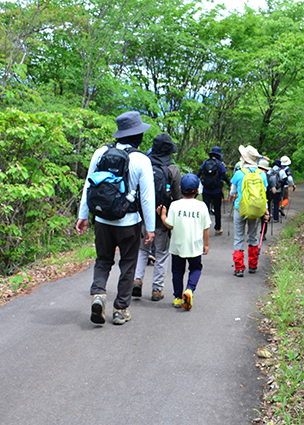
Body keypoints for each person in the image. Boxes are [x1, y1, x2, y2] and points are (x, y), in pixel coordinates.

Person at [76, 111, 155, 325]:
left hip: (102, 220)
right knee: (128, 264)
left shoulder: (100, 152)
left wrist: (83, 215)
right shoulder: (141, 160)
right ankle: (120, 309)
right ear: (138, 136)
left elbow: (88, 186)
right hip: (129, 223)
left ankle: (99, 294)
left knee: (103, 260)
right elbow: (147, 198)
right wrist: (151, 227)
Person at [132, 133, 182, 301]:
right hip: (162, 216)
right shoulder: (172, 169)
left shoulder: (143, 163)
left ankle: (137, 280)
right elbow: (178, 197)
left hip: (142, 215)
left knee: (142, 250)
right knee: (161, 252)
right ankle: (157, 289)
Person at [159, 173, 211, 310]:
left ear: (180, 188)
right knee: (195, 268)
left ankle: (177, 298)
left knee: (177, 271)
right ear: (197, 190)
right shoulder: (202, 206)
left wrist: (163, 215)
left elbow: (170, 225)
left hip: (177, 246)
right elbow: (206, 228)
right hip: (195, 246)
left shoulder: (175, 205)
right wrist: (206, 244)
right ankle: (189, 290)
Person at [228, 145, 269, 277]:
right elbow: (264, 194)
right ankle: (253, 265)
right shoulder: (262, 174)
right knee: (253, 236)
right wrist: (266, 211)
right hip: (255, 209)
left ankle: (239, 268)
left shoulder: (239, 173)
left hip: (240, 209)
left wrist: (233, 196)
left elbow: (232, 192)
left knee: (239, 238)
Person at [198, 146, 231, 236]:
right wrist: (229, 183)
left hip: (206, 190)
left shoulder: (205, 162)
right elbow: (224, 176)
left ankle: (203, 228)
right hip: (217, 190)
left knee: (205, 209)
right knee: (217, 209)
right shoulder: (220, 164)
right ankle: (218, 228)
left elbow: (199, 173)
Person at [268, 159, 287, 223]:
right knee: (276, 203)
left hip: (270, 190)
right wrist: (279, 186)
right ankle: (276, 218)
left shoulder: (270, 170)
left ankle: (268, 217)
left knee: (269, 203)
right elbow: (284, 180)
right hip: (278, 190)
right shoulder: (281, 171)